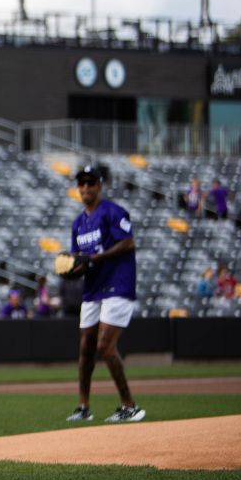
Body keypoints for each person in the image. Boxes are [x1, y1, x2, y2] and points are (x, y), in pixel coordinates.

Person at [65, 164, 144, 423]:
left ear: (100, 185)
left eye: (90, 182)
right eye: (82, 183)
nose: (85, 187)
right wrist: (72, 269)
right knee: (86, 347)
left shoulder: (112, 211)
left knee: (105, 347)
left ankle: (129, 405)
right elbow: (80, 260)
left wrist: (97, 258)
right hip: (93, 288)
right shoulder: (78, 223)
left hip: (117, 284)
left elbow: (128, 241)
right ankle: (83, 407)